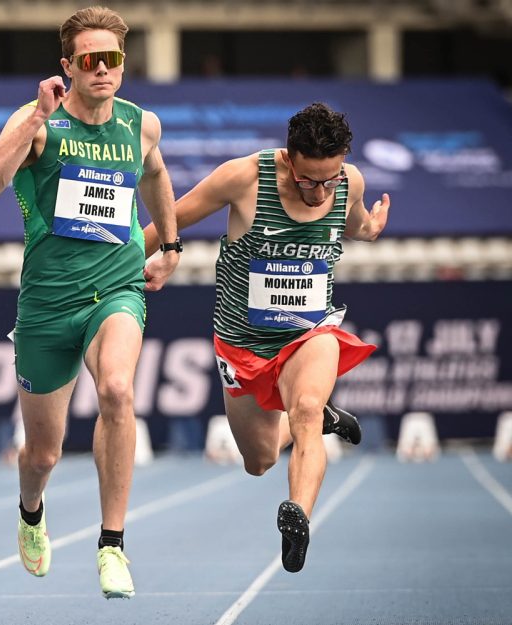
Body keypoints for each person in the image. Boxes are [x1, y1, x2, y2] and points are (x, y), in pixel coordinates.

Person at [0, 6, 179, 599]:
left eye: (112, 58)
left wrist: (172, 243)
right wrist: (36, 114)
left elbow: (156, 175)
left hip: (115, 289)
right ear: (68, 65)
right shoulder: (40, 120)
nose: (102, 69)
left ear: (122, 63)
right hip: (47, 303)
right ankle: (31, 511)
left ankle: (112, 544)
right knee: (43, 452)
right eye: (89, 59)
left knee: (117, 389)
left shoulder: (142, 125)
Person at [144, 102, 389, 573]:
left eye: (329, 179)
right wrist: (137, 263)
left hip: (310, 332)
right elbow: (169, 219)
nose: (319, 193)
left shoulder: (349, 182)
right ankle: (316, 424)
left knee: (306, 407)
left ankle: (298, 513)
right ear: (288, 158)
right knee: (257, 461)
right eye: (308, 180)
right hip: (242, 344)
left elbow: (355, 222)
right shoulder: (242, 178)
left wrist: (370, 229)